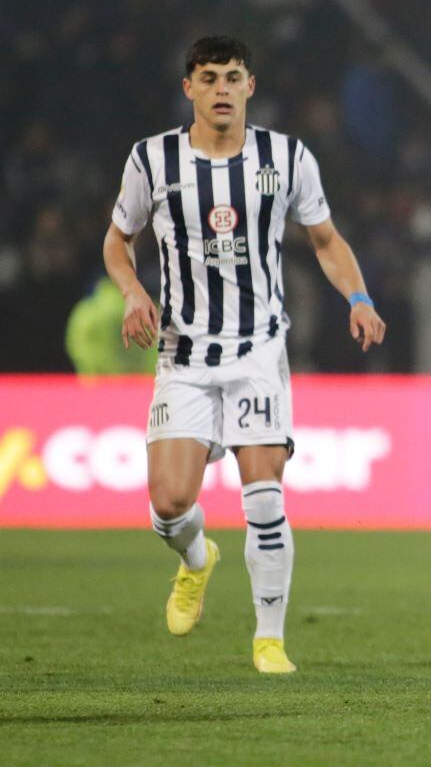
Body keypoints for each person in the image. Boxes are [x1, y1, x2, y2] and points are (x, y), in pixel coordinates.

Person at [103, 35, 386, 673]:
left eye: (233, 77)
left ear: (251, 86)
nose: (222, 89)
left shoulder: (286, 158)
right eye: (209, 78)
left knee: (263, 497)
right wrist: (130, 292)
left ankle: (269, 639)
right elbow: (117, 241)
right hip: (184, 352)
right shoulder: (152, 160)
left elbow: (325, 239)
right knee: (170, 504)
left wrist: (359, 298)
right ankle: (198, 560)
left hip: (259, 347)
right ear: (189, 89)